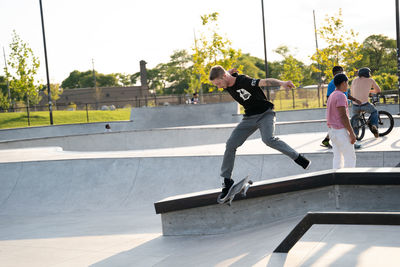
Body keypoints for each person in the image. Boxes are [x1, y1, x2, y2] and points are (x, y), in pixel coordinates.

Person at [209, 65, 311, 200]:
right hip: (249, 118)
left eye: (218, 83)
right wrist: (229, 71)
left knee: (268, 139)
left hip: (266, 114)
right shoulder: (226, 80)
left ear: (224, 77)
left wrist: (282, 83)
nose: (219, 87)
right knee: (230, 144)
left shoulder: (244, 80)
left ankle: (298, 157)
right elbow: (225, 73)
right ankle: (227, 181)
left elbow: (265, 82)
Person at [321, 66, 361, 148]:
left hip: (342, 104)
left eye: (342, 72)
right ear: (334, 73)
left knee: (339, 125)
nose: (341, 73)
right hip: (338, 107)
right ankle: (352, 141)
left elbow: (346, 94)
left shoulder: (342, 81)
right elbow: (329, 97)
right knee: (343, 123)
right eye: (339, 72)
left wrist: (355, 99)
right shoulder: (332, 83)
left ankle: (326, 140)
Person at [326, 73, 356, 169]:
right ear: (343, 83)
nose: (347, 86)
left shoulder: (331, 95)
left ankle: (337, 178)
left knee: (338, 158)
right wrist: (351, 133)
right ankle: (349, 180)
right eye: (347, 83)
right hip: (340, 132)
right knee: (350, 157)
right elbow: (343, 116)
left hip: (332, 131)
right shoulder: (341, 96)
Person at [351, 67, 381, 138]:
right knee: (374, 112)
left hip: (355, 105)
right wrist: (369, 91)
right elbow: (378, 90)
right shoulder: (370, 80)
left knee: (355, 119)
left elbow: (352, 91)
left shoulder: (354, 80)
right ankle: (374, 125)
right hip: (365, 104)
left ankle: (355, 135)